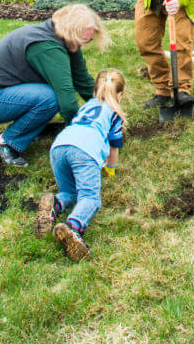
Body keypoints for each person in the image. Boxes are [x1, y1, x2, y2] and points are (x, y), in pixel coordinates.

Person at [0, 3, 110, 167]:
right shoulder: (46, 46)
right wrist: (81, 137)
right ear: (71, 30)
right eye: (84, 39)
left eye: (89, 40)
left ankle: (33, 129)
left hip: (2, 94)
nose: (86, 44)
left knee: (47, 96)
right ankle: (6, 142)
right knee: (50, 98)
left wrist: (108, 111)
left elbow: (83, 82)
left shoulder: (65, 39)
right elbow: (67, 100)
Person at [34, 68, 127, 262]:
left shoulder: (86, 107)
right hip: (85, 151)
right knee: (90, 198)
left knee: (69, 191)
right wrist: (111, 168)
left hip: (59, 146)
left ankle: (54, 207)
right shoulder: (114, 113)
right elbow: (114, 146)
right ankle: (73, 227)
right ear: (120, 95)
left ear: (95, 91)